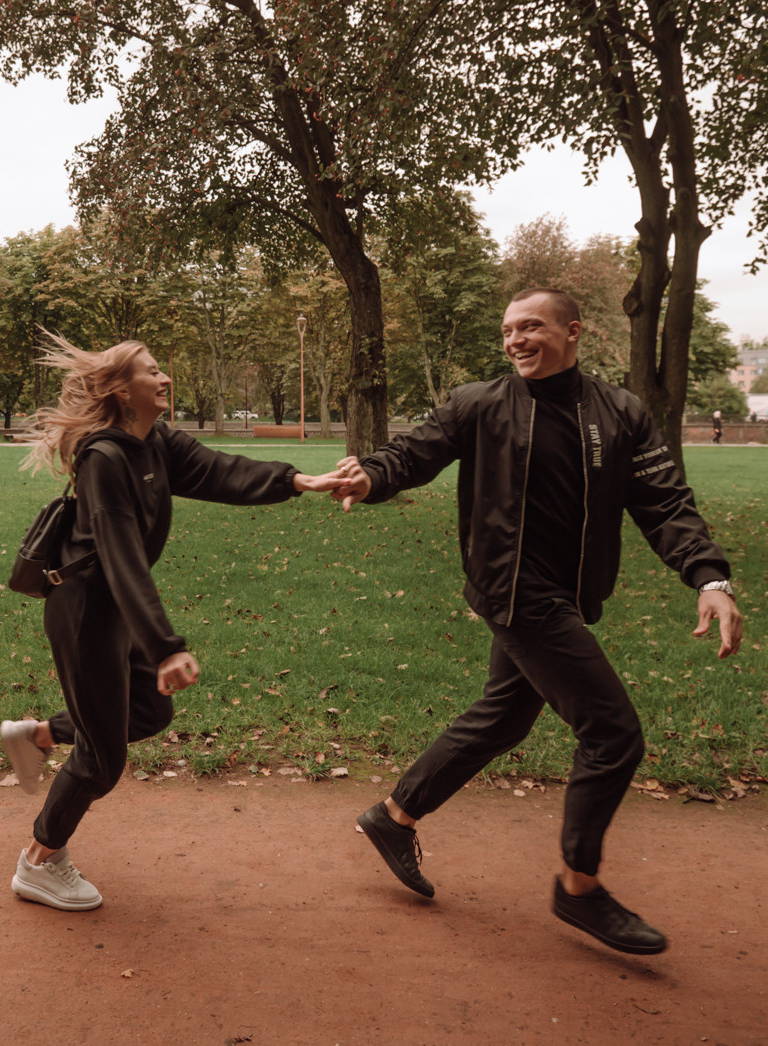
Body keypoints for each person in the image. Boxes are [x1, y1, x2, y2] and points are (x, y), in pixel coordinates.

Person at [317, 288, 741, 956]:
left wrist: (708, 577)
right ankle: (578, 889)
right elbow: (414, 452)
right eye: (509, 329)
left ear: (573, 331)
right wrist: (370, 475)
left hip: (569, 597)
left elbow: (665, 502)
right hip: (516, 594)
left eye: (531, 326)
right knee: (613, 733)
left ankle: (393, 816)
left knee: (505, 715)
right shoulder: (479, 404)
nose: (516, 339)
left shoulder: (621, 412)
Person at [0, 335, 342, 911]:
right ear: (120, 390)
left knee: (150, 710)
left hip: (111, 608)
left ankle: (36, 734)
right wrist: (165, 647)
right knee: (102, 761)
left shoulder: (154, 442)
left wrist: (296, 480)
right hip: (84, 610)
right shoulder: (105, 459)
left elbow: (218, 470)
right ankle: (39, 861)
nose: (165, 379)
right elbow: (120, 556)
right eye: (152, 372)